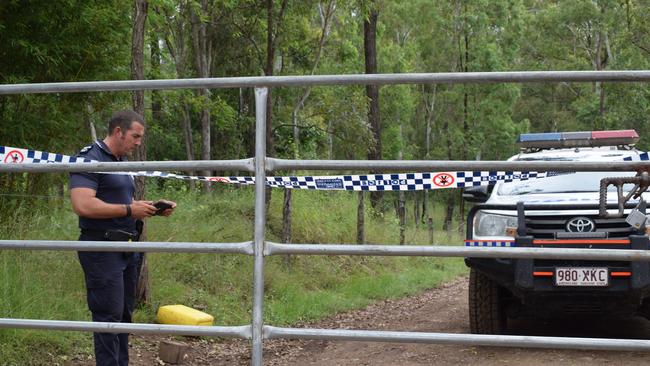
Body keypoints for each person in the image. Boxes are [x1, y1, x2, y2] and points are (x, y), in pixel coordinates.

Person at [70, 110, 176, 366]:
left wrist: (148, 207)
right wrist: (131, 210)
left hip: (127, 247)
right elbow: (83, 205)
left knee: (124, 316)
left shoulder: (120, 161)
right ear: (118, 131)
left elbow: (118, 202)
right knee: (108, 318)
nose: (138, 143)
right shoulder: (89, 158)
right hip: (102, 248)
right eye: (135, 136)